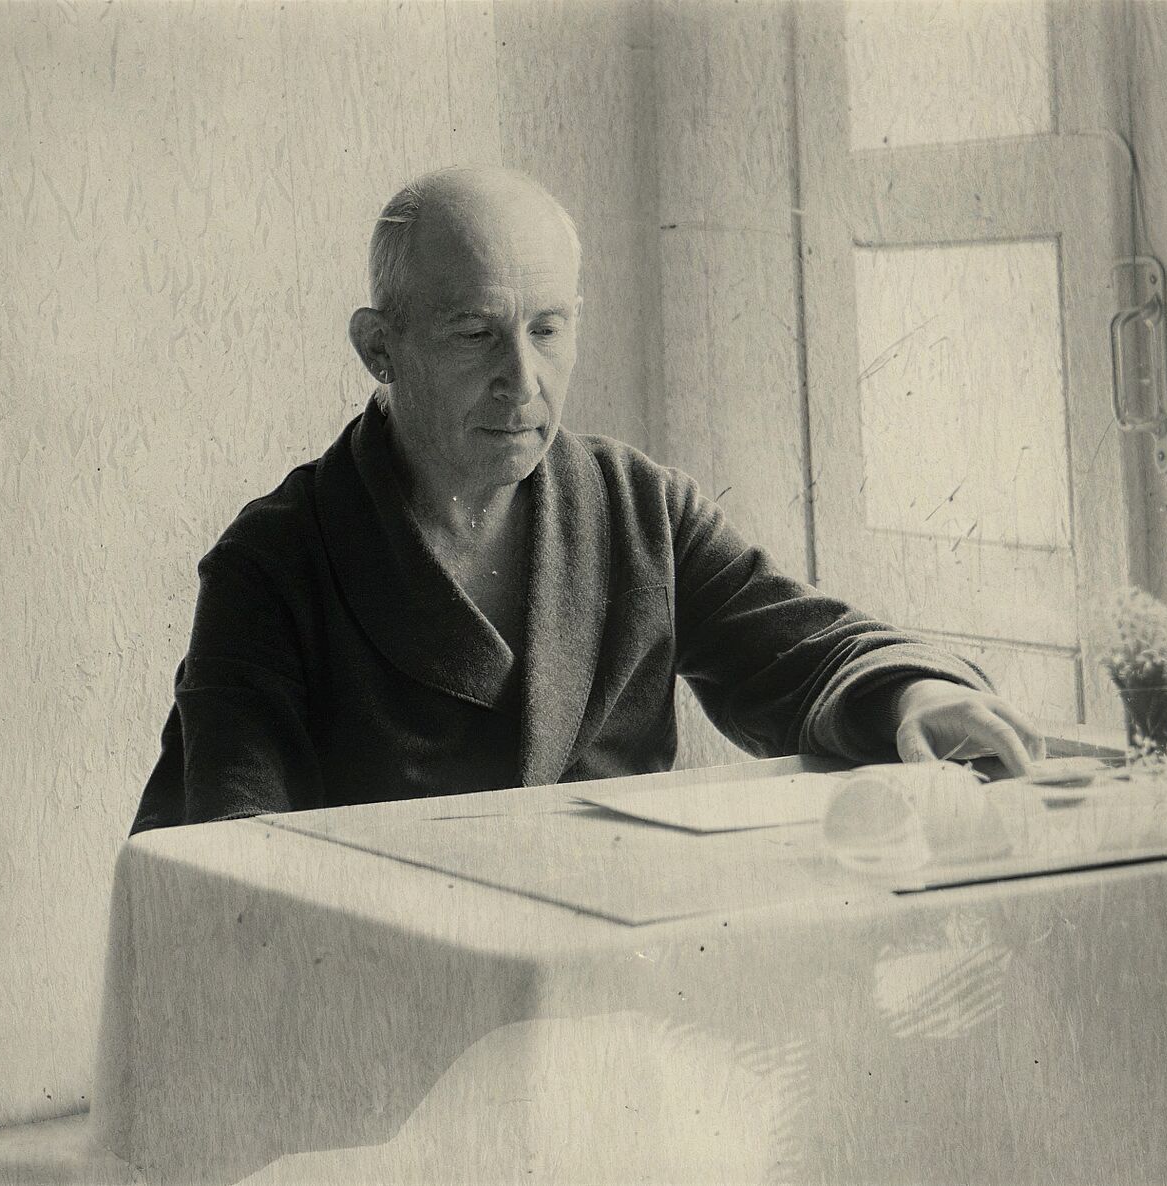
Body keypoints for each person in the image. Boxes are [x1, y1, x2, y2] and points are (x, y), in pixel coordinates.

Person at [130, 166, 1043, 833]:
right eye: (474, 334)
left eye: (547, 329)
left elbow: (805, 652)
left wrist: (913, 697)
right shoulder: (273, 561)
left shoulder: (640, 509)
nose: (521, 378)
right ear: (379, 348)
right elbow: (233, 855)